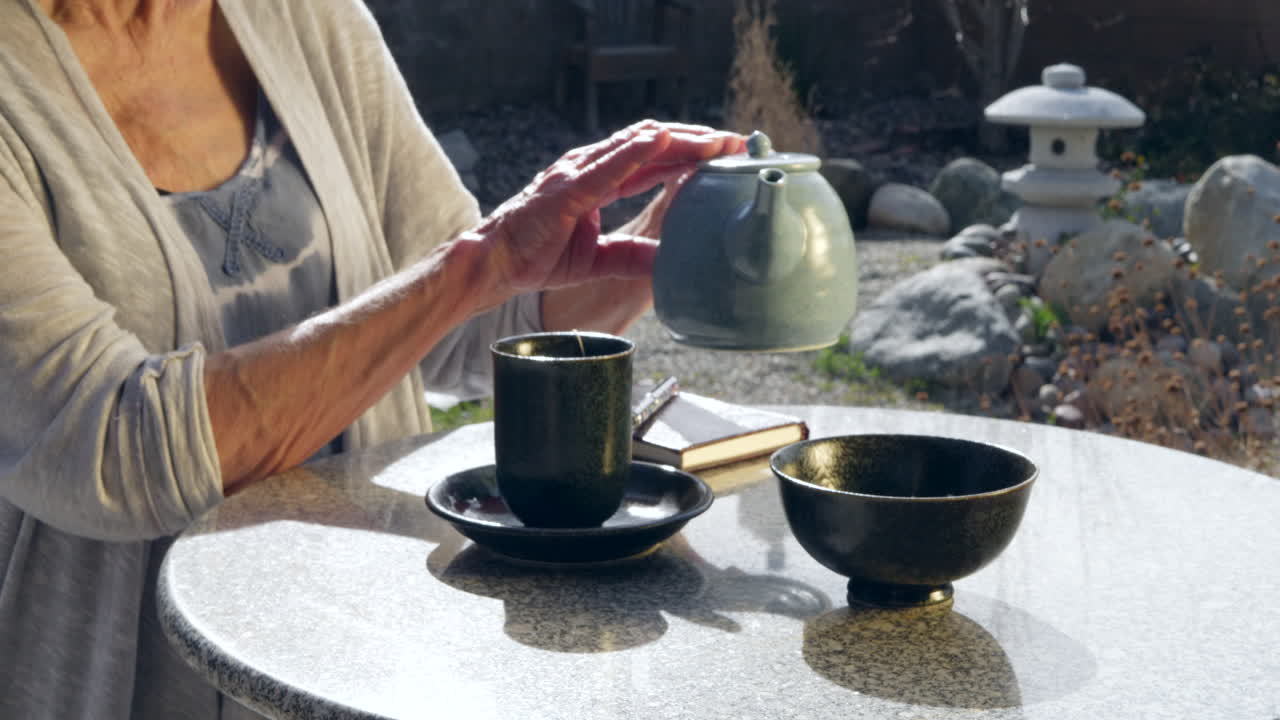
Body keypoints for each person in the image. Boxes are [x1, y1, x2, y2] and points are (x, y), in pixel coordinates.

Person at [0, 0, 745, 717]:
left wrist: (662, 250)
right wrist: (481, 264)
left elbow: (462, 321)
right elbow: (107, 447)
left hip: (368, 652)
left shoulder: (310, 17)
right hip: (129, 681)